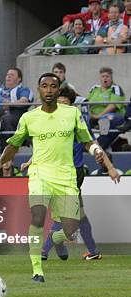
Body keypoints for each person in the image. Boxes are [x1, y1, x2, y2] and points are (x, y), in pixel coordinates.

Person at [0, 73, 120, 283]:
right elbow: (13, 145)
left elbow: (88, 141)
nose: (49, 90)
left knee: (70, 229)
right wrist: (0, 162)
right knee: (38, 217)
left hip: (67, 176)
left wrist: (96, 150)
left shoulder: (72, 114)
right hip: (40, 174)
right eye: (44, 86)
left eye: (53, 86)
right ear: (39, 89)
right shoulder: (29, 117)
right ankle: (37, 270)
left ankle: (56, 240)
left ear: (59, 90)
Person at [39, 87, 114, 262]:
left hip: (73, 173)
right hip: (55, 172)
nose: (62, 105)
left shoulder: (77, 120)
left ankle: (44, 250)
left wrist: (109, 167)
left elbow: (91, 143)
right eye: (60, 102)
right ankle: (92, 251)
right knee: (78, 215)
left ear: (71, 105)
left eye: (66, 102)